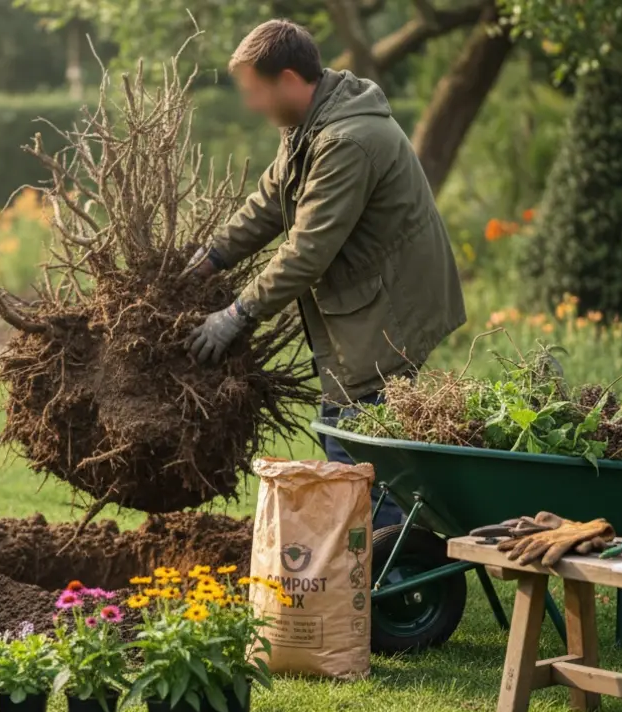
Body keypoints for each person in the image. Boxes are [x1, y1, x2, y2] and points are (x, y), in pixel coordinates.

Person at [184, 19, 465, 528]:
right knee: (352, 441)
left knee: (357, 449)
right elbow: (270, 201)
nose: (251, 105)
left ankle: (393, 580)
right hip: (362, 303)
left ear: (289, 79)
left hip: (388, 313)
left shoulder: (346, 142)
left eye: (255, 91)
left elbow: (306, 250)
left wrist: (236, 314)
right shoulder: (308, 127)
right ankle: (380, 571)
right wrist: (209, 260)